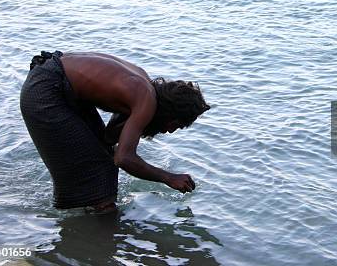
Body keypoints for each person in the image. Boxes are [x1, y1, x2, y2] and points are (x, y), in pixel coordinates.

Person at [20, 51, 210, 211]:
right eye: (175, 126)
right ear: (172, 115)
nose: (169, 131)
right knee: (101, 168)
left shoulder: (144, 89)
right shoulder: (145, 99)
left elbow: (109, 137)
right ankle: (95, 234)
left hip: (54, 81)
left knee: (103, 158)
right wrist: (169, 177)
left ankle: (87, 226)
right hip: (45, 89)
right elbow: (123, 158)